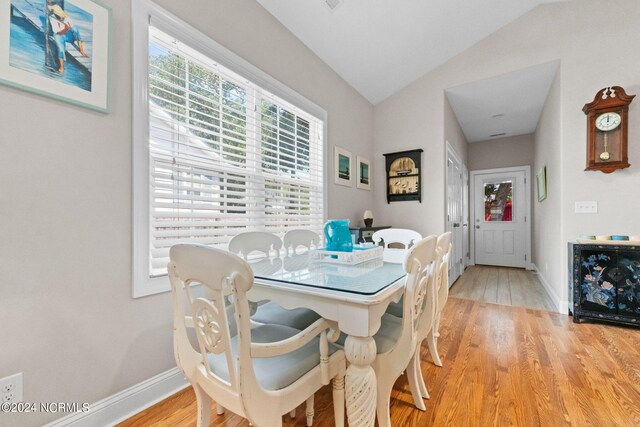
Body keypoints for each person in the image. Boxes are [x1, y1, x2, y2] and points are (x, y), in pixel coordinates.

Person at [48, 4, 88, 73]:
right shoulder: (52, 18)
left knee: (75, 29)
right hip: (58, 35)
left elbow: (72, 28)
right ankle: (61, 66)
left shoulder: (66, 16)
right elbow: (57, 32)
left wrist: (68, 28)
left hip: (67, 36)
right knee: (61, 49)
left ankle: (81, 50)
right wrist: (66, 29)